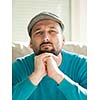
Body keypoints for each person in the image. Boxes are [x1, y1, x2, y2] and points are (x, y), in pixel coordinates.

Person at [12, 11, 87, 100]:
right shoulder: (18, 67)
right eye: (39, 32)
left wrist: (57, 75)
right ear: (31, 43)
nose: (45, 38)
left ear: (63, 40)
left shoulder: (82, 65)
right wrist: (36, 75)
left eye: (52, 31)